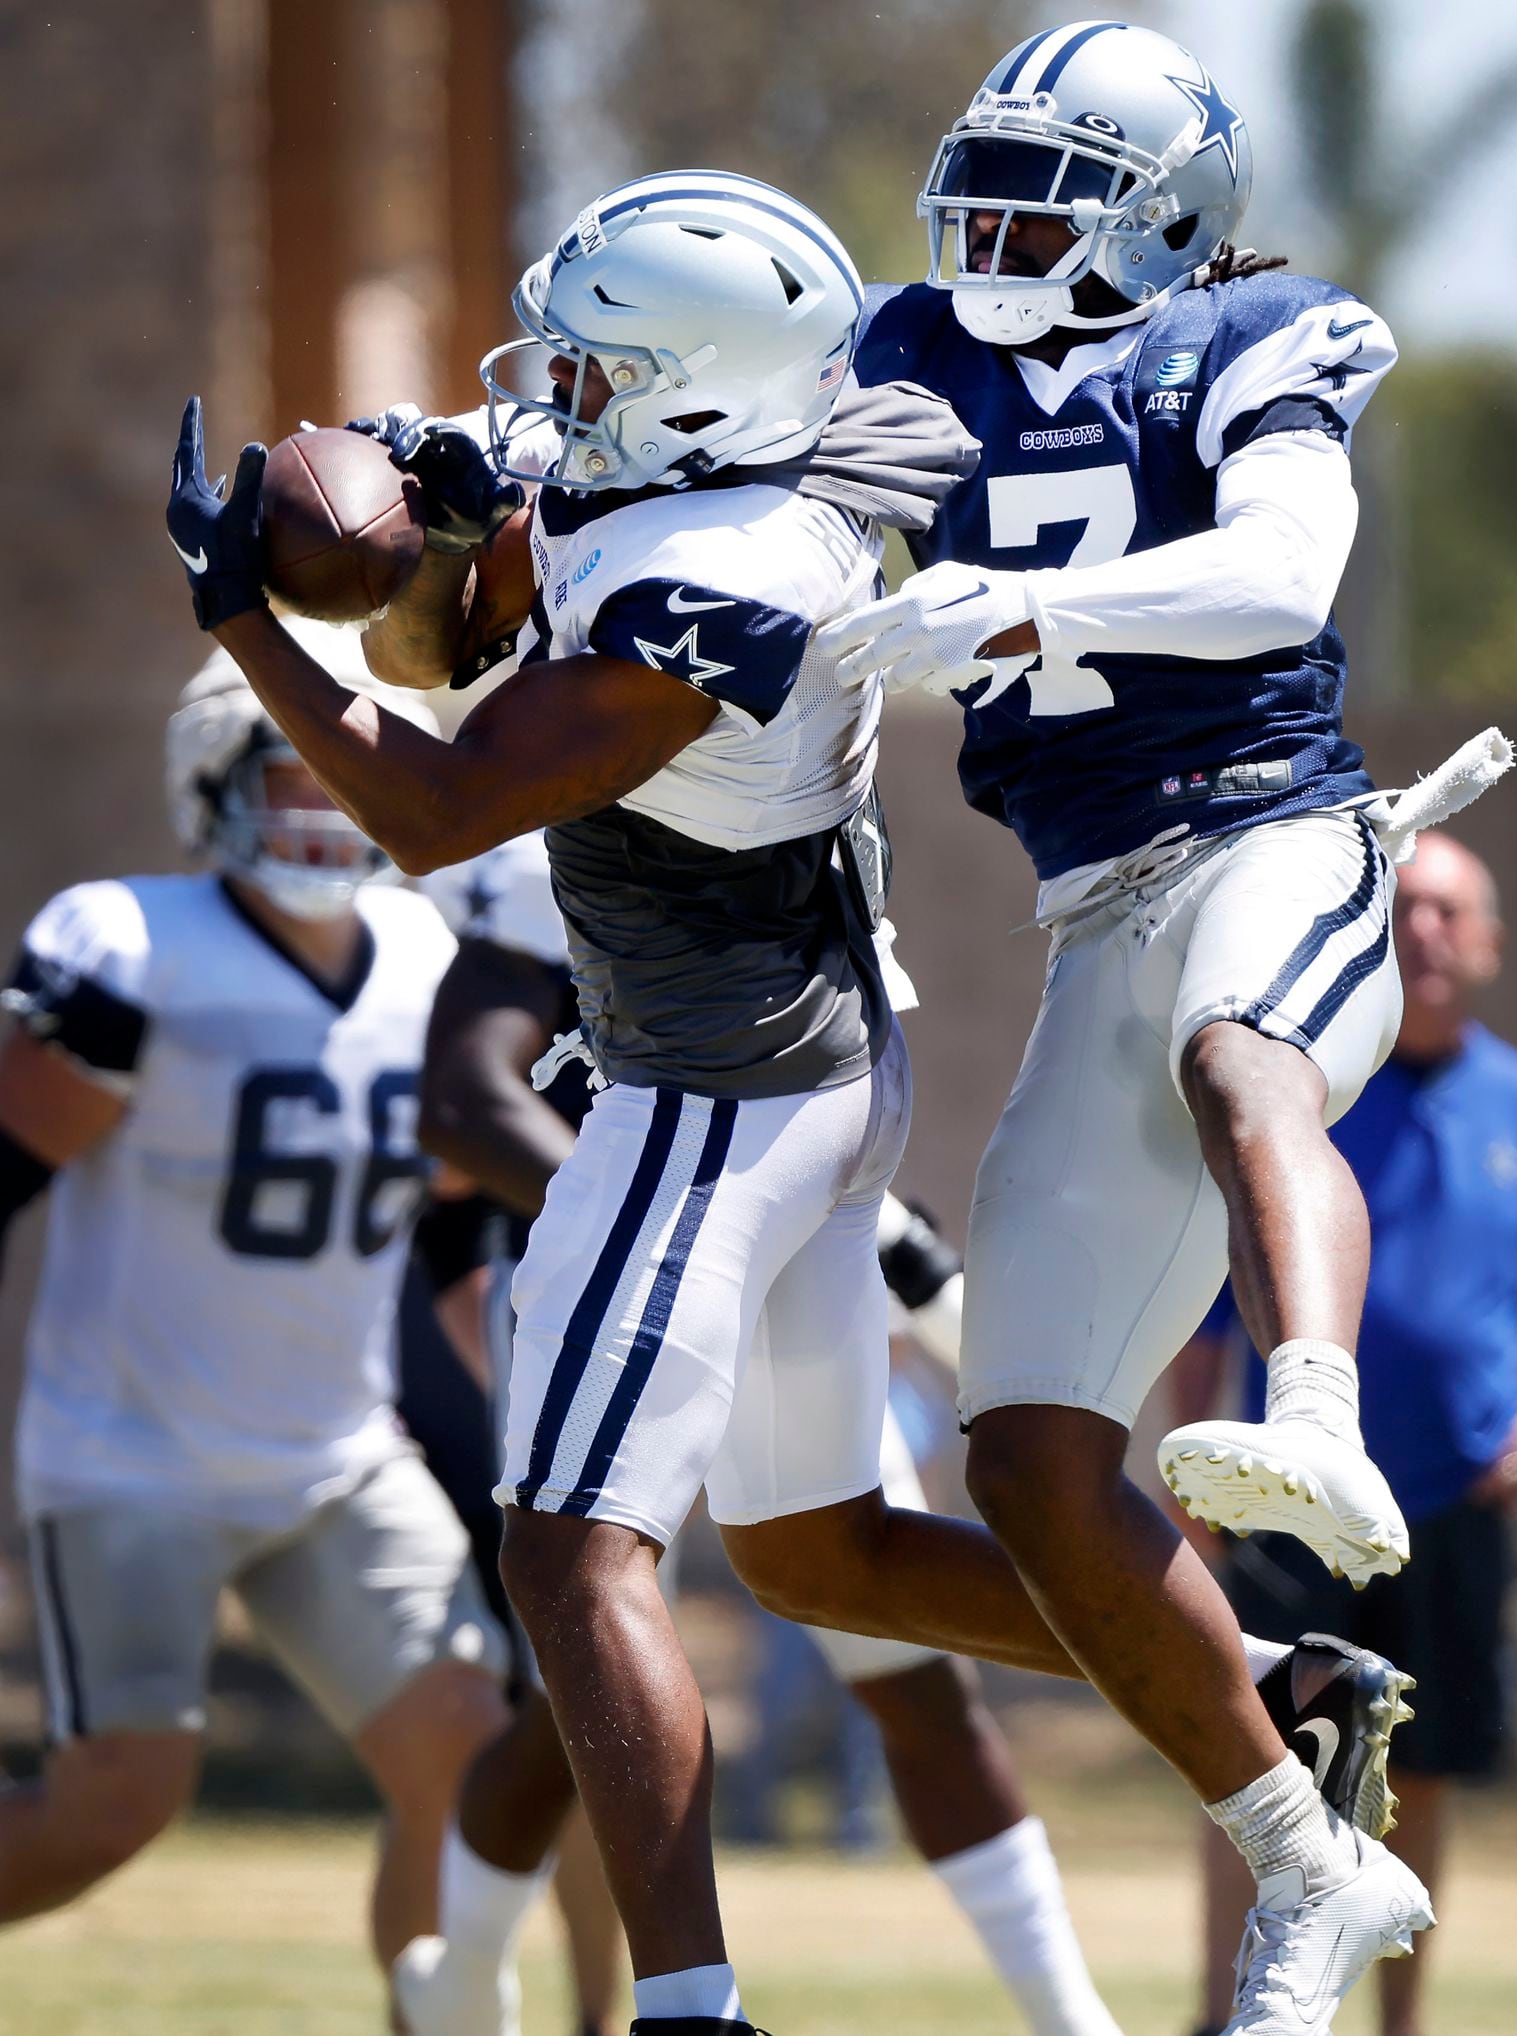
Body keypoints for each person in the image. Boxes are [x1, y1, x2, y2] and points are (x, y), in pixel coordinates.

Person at [165, 169, 1420, 2036]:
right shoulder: (788, 441)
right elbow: (529, 477)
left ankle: (689, 2010)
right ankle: (1259, 1676)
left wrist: (249, 618)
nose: (558, 391)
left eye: (600, 369)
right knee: (814, 1549)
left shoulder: (716, 586)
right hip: (821, 1068)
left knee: (569, 1554)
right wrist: (418, 462)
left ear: (696, 400)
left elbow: (430, 809)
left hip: (709, 1086)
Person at [819, 22, 1460, 2031]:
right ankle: (1305, 1859)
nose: (989, 233)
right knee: (1016, 1464)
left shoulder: (1258, 335)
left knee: (1235, 1053)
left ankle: (1314, 1413)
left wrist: (1012, 612)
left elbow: (1279, 574)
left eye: (1045, 197)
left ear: (1165, 216)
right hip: (1087, 906)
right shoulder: (902, 351)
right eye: (978, 189)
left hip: (1276, 832)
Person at [404, 826, 1130, 2036]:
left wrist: (875, 1238)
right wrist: (666, 1235)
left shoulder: (796, 802)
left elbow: (798, 1089)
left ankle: (1072, 2017)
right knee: (574, 1674)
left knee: (902, 1651)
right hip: (614, 1278)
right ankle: (477, 1972)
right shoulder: (574, 811)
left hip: (772, 1265)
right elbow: (467, 1095)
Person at [0, 622, 511, 2001]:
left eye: (352, 766)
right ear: (213, 777)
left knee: (472, 1752)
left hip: (336, 1450)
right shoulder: (126, 942)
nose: (330, 801)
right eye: (293, 770)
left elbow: (460, 1209)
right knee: (116, 1807)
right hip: (131, 1454)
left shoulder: (427, 950)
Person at [1171, 830, 1517, 2036]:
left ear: (1486, 943)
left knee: (1413, 1768)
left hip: (1447, 1504)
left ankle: (1396, 2025)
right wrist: (1198, 1455)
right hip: (1289, 1504)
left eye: (1450, 910)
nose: (1426, 928)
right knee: (1253, 1754)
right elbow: (1199, 1305)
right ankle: (1224, 2014)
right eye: (1408, 906)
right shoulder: (1305, 1093)